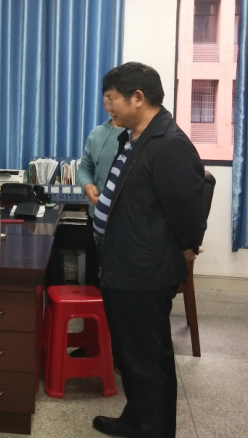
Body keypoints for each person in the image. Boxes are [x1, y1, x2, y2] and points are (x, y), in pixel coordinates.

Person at [91, 62, 205, 438]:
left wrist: (187, 248)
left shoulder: (169, 144)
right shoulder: (132, 137)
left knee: (150, 359)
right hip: (123, 264)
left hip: (144, 271)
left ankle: (155, 430)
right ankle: (136, 419)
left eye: (112, 100)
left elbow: (188, 211)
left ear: (138, 98)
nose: (108, 107)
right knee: (130, 355)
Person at [77, 100, 121, 286]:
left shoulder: (137, 135)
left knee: (117, 279)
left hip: (123, 221)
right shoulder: (96, 133)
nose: (110, 107)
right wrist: (87, 185)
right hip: (95, 215)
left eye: (114, 99)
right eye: (106, 100)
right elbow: (84, 167)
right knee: (94, 272)